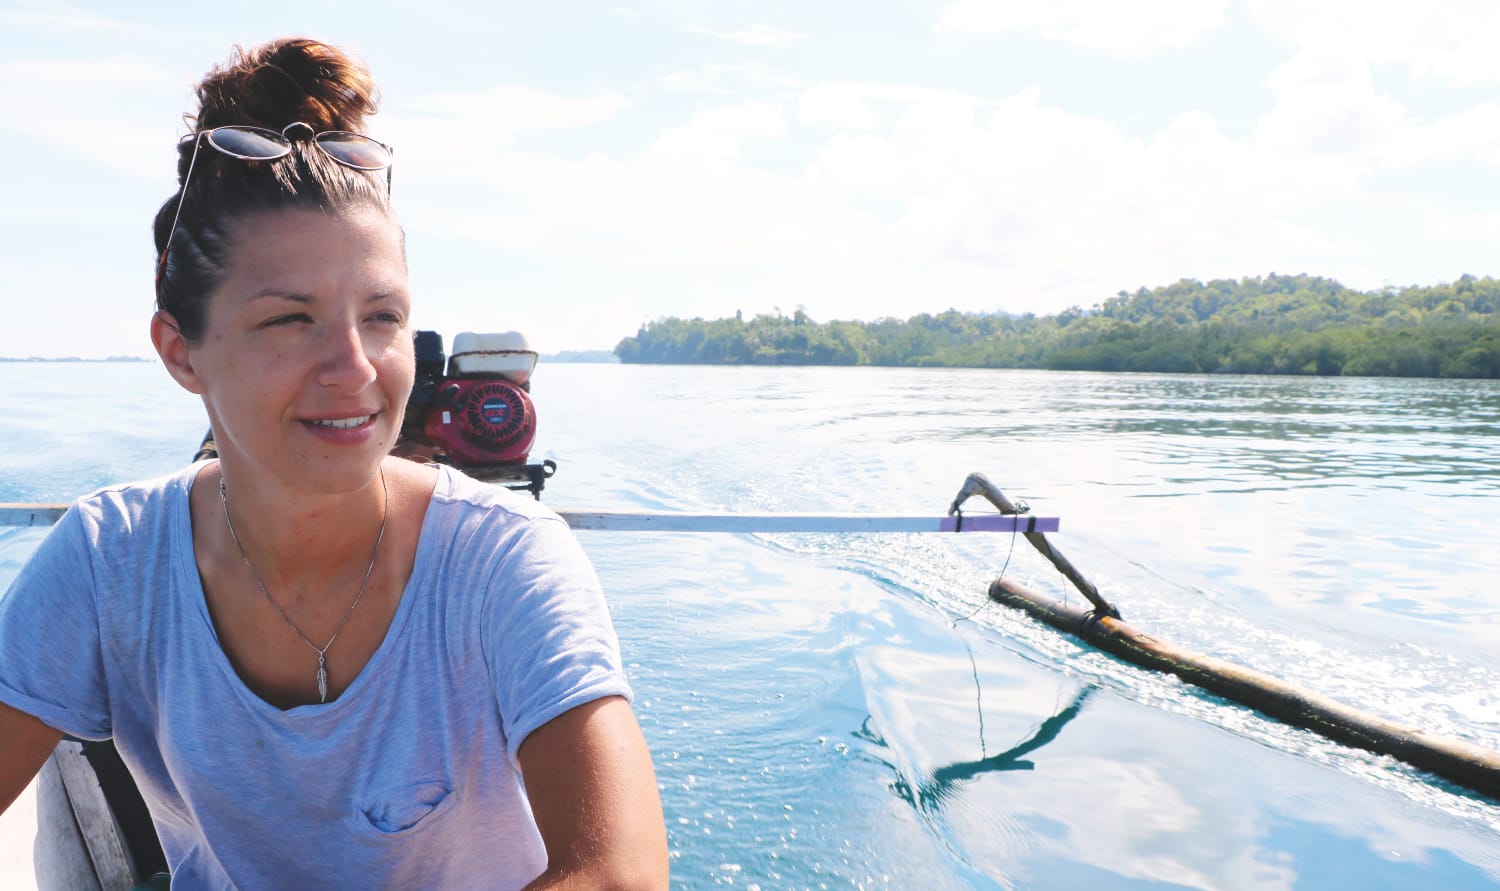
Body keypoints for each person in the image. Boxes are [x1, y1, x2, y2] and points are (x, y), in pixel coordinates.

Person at [0, 37, 668, 889]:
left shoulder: (505, 560)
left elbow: (619, 873)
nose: (355, 367)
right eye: (289, 319)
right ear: (182, 352)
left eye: (382, 316)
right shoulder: (110, 561)